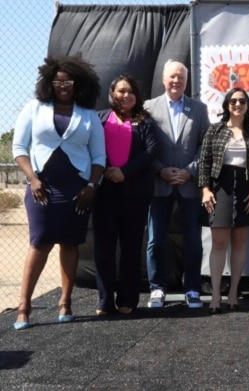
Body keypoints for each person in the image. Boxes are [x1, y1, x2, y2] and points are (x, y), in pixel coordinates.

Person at [11, 56, 105, 330]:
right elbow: (19, 148)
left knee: (71, 243)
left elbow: (99, 156)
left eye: (69, 81)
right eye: (58, 81)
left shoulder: (88, 115)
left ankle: (65, 303)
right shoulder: (33, 108)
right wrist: (32, 179)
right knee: (39, 243)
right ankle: (24, 307)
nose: (63, 85)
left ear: (79, 84)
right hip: (42, 188)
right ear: (49, 83)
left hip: (77, 190)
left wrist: (91, 186)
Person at [144, 60, 210, 309]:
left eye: (181, 78)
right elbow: (144, 146)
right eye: (172, 77)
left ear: (186, 82)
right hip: (159, 185)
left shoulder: (199, 109)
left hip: (188, 185)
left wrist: (189, 172)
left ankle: (192, 289)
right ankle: (157, 288)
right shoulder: (148, 108)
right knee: (156, 240)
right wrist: (160, 170)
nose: (176, 82)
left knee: (193, 240)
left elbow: (205, 145)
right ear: (164, 79)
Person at [92, 75, 157, 316]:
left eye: (130, 91)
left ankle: (128, 299)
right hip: (104, 192)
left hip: (135, 193)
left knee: (130, 247)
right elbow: (91, 147)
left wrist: (123, 172)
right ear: (112, 93)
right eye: (121, 91)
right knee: (104, 247)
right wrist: (109, 170)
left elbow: (150, 152)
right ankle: (105, 301)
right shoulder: (98, 119)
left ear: (137, 96)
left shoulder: (146, 122)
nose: (126, 95)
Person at [198, 88, 249, 314]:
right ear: (227, 104)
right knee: (219, 242)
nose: (238, 104)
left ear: (248, 105)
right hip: (221, 187)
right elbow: (205, 161)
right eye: (234, 100)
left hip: (246, 188)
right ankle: (216, 294)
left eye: (242, 101)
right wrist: (205, 190)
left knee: (240, 242)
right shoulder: (215, 130)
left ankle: (234, 292)